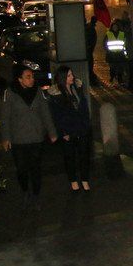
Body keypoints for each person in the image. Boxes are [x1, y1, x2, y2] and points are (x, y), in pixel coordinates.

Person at [0, 66, 57, 205]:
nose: (32, 79)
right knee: (21, 168)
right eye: (28, 77)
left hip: (36, 136)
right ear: (20, 79)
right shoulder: (10, 93)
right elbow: (5, 117)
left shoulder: (38, 91)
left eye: (32, 76)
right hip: (18, 138)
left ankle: (36, 195)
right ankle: (25, 191)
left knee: (35, 167)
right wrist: (6, 137)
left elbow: (45, 112)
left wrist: (52, 132)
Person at [47, 66, 92, 194]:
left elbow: (84, 106)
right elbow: (56, 115)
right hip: (67, 130)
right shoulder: (56, 95)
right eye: (68, 75)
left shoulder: (77, 88)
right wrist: (63, 132)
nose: (72, 77)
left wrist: (86, 123)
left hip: (81, 128)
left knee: (84, 155)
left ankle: (84, 179)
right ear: (62, 78)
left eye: (72, 74)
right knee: (70, 157)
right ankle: (73, 180)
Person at [104, 21, 128, 85]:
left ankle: (120, 79)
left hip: (120, 54)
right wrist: (108, 50)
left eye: (116, 27)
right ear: (112, 27)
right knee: (112, 67)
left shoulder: (122, 34)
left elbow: (125, 43)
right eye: (114, 27)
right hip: (111, 54)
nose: (115, 28)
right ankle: (112, 76)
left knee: (120, 67)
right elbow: (105, 43)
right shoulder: (108, 34)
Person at [85, 17, 100, 86]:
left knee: (89, 66)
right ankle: (92, 80)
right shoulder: (90, 28)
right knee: (89, 66)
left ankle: (92, 79)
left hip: (88, 50)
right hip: (88, 50)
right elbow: (92, 40)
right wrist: (90, 47)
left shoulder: (88, 28)